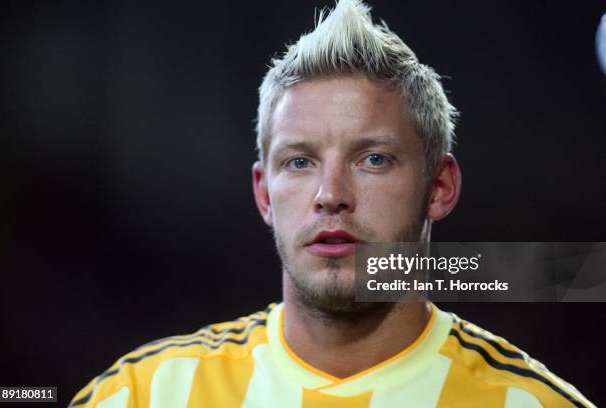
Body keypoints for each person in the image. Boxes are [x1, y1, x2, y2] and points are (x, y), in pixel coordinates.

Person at [70, 1, 594, 407]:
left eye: (373, 159)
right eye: (299, 162)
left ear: (440, 188)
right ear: (263, 194)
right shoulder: (139, 395)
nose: (330, 196)